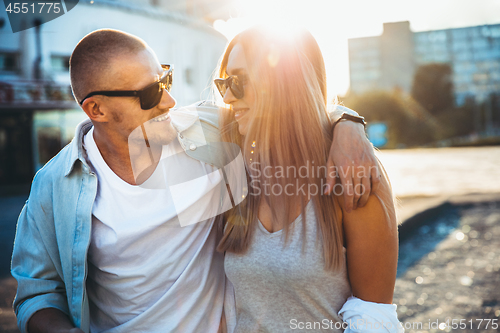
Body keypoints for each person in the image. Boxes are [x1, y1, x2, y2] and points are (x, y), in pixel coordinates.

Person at [11, 29, 378, 333]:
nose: (170, 101)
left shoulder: (207, 131)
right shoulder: (55, 185)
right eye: (150, 93)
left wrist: (348, 124)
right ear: (97, 109)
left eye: (164, 79)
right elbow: (37, 293)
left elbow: (285, 105)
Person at [215, 26, 402, 332]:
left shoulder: (353, 171)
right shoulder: (234, 166)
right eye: (224, 82)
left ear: (283, 81)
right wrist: (348, 118)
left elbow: (374, 321)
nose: (226, 96)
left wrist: (347, 124)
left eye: (237, 81)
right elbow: (163, 120)